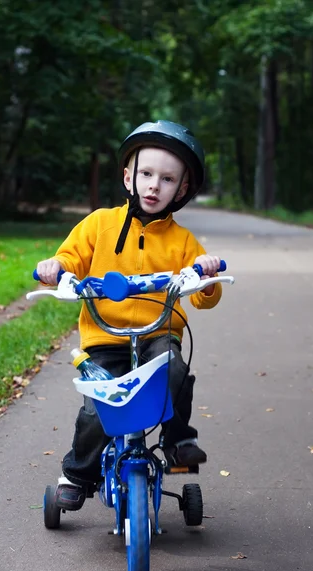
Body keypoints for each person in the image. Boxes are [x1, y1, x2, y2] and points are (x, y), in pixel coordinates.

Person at [36, 120, 223, 511]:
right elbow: (70, 257)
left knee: (173, 368)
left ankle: (177, 443)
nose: (155, 185)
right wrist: (57, 266)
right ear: (128, 177)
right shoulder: (99, 225)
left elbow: (205, 298)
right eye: (147, 174)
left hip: (157, 332)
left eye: (168, 179)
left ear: (182, 189)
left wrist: (205, 276)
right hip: (106, 337)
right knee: (95, 408)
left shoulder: (182, 241)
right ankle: (77, 474)